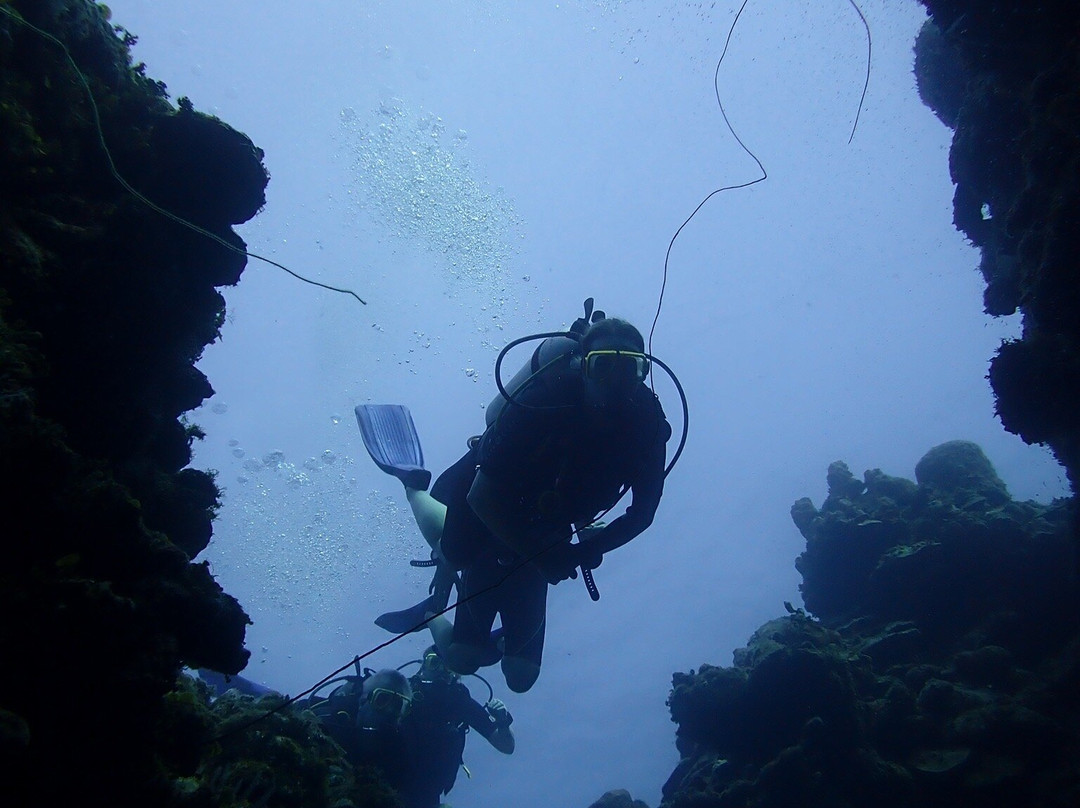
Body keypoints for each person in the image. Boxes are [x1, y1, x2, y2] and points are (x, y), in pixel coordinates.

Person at [357, 301, 672, 693]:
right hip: (489, 502)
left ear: (644, 372)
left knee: (521, 679)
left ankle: (491, 630)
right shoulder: (544, 399)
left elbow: (643, 514)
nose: (616, 381)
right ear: (582, 367)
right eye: (604, 365)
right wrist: (547, 558)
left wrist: (584, 550)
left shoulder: (647, 425)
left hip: (548, 527)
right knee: (454, 566)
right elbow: (481, 496)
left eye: (630, 368)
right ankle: (413, 488)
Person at [302, 653, 514, 808]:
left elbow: (505, 746)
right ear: (422, 665)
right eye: (434, 661)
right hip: (393, 771)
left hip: (424, 785)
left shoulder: (459, 701)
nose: (441, 669)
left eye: (448, 664)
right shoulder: (405, 689)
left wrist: (503, 722)